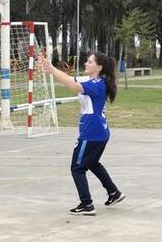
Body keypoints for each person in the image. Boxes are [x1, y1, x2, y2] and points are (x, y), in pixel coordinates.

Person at [38, 51, 124, 215]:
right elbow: (70, 80)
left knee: (77, 168)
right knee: (92, 163)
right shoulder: (92, 80)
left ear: (98, 67)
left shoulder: (97, 84)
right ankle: (113, 192)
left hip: (92, 134)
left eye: (90, 62)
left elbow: (73, 86)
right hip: (100, 132)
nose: (86, 63)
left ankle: (87, 204)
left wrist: (52, 69)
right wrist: (51, 69)